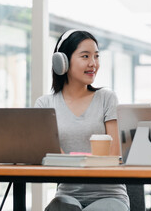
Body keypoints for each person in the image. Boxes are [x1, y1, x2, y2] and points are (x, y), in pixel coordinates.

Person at [35, 30, 130, 211]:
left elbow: (114, 155)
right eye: (85, 56)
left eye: (96, 56)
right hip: (67, 196)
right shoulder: (45, 104)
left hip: (110, 196)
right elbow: (52, 158)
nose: (93, 64)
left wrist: (71, 161)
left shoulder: (106, 98)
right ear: (62, 61)